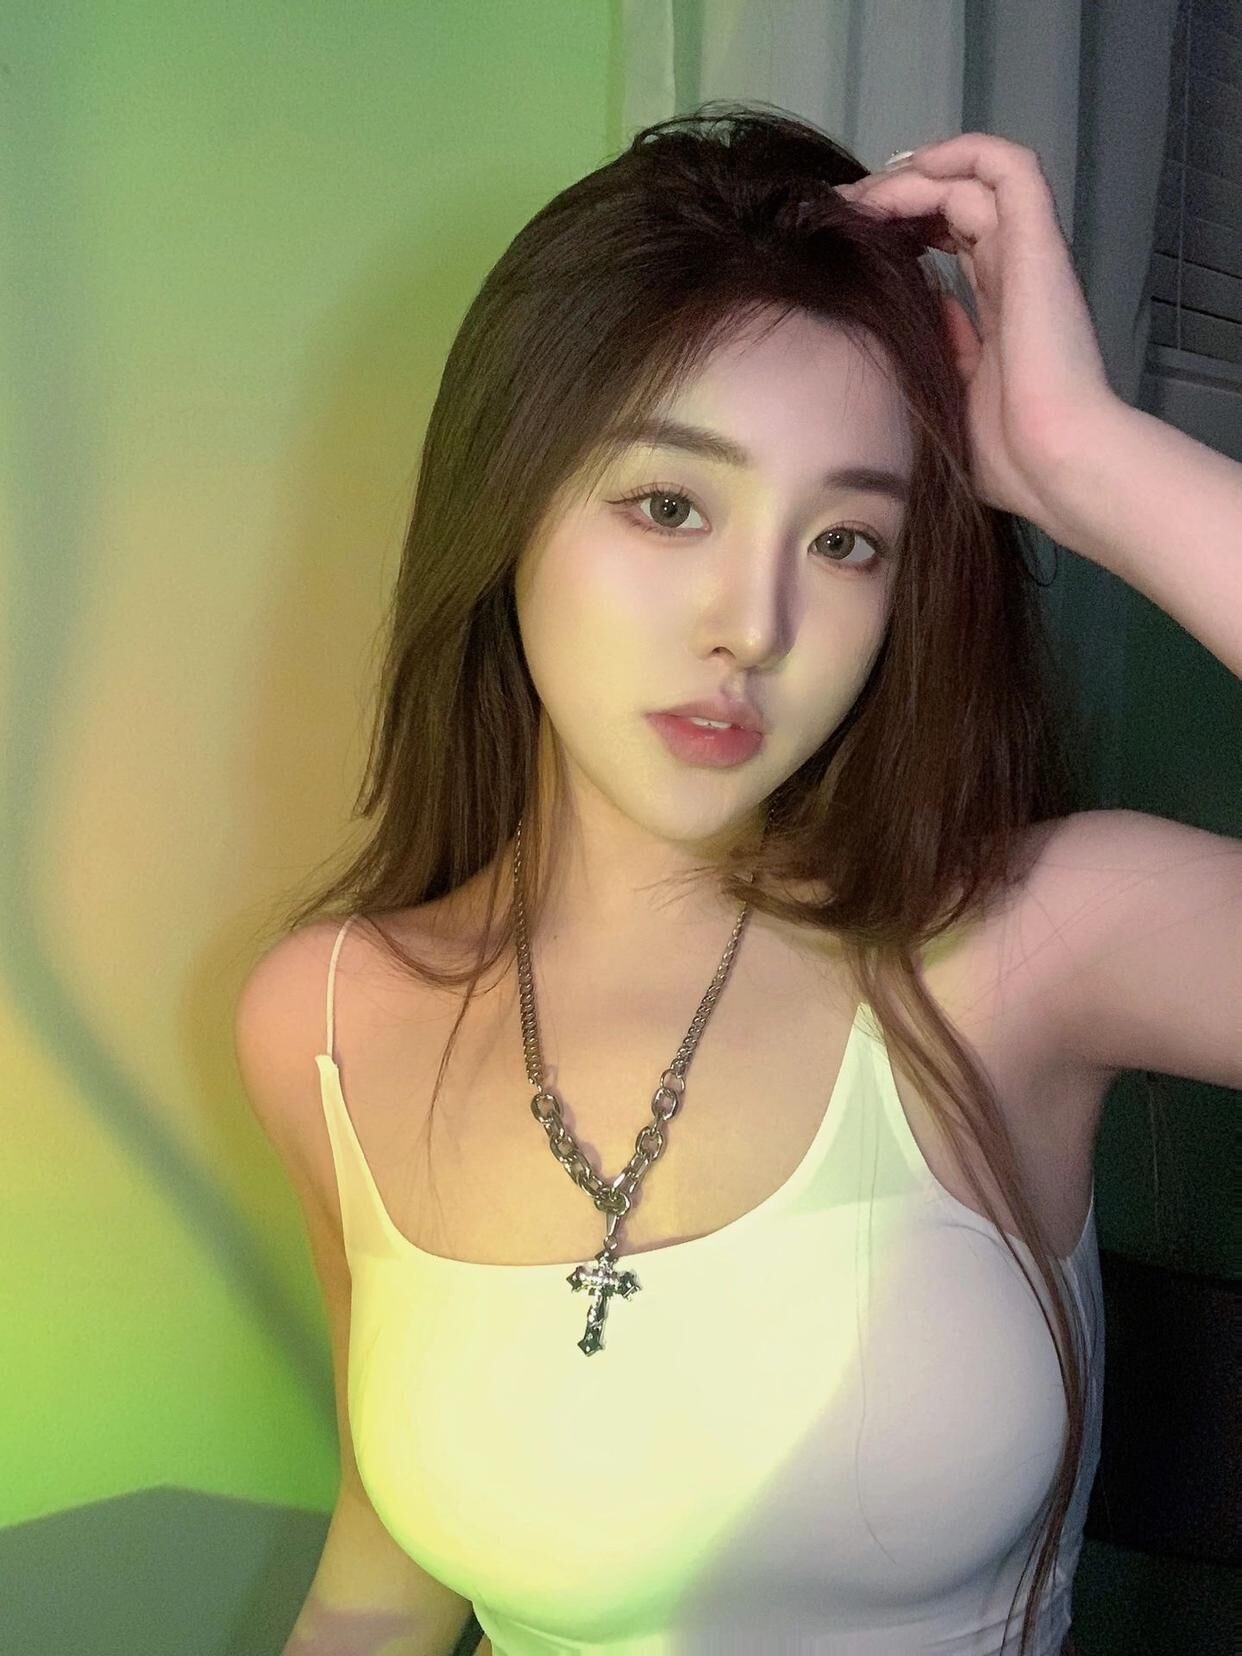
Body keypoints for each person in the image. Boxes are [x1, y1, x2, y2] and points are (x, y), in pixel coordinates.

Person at [237, 104, 1102, 1655]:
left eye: (846, 542)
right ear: (506, 507)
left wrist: (1085, 459)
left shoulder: (1032, 943)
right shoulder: (322, 1018)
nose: (751, 625)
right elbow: (389, 1570)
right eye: (668, 505)